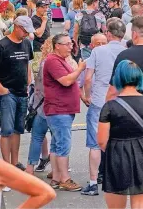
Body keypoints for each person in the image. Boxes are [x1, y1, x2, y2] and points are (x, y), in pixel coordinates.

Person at [98, 60, 143, 209]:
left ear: (118, 78)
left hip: (117, 154)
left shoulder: (110, 106)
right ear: (139, 77)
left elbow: (102, 141)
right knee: (141, 204)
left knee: (116, 204)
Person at [0, 16, 35, 184]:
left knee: (17, 129)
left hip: (21, 92)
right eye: (25, 31)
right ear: (17, 27)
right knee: (6, 130)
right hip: (7, 92)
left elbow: (27, 64)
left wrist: (29, 82)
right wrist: (0, 88)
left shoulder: (26, 44)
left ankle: (14, 163)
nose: (27, 34)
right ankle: (6, 167)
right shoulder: (1, 45)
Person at [81, 19, 127, 196]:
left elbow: (87, 77)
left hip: (100, 100)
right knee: (119, 140)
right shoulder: (127, 51)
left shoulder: (98, 51)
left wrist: (87, 95)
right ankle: (119, 179)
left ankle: (93, 183)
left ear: (108, 33)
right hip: (121, 102)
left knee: (95, 143)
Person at [43, 32, 86, 191]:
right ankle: (64, 179)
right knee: (63, 145)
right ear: (57, 46)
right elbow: (67, 81)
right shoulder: (53, 61)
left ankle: (55, 177)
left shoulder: (60, 60)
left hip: (61, 109)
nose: (71, 47)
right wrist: (80, 69)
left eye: (71, 43)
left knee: (56, 144)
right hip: (59, 109)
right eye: (67, 44)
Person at [106, 16, 143, 100]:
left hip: (131, 107)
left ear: (134, 34)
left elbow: (113, 91)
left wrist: (107, 109)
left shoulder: (124, 55)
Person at [26, 37, 53, 175]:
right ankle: (57, 169)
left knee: (37, 137)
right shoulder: (59, 63)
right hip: (54, 107)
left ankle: (30, 167)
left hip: (40, 105)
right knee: (57, 139)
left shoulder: (43, 62)